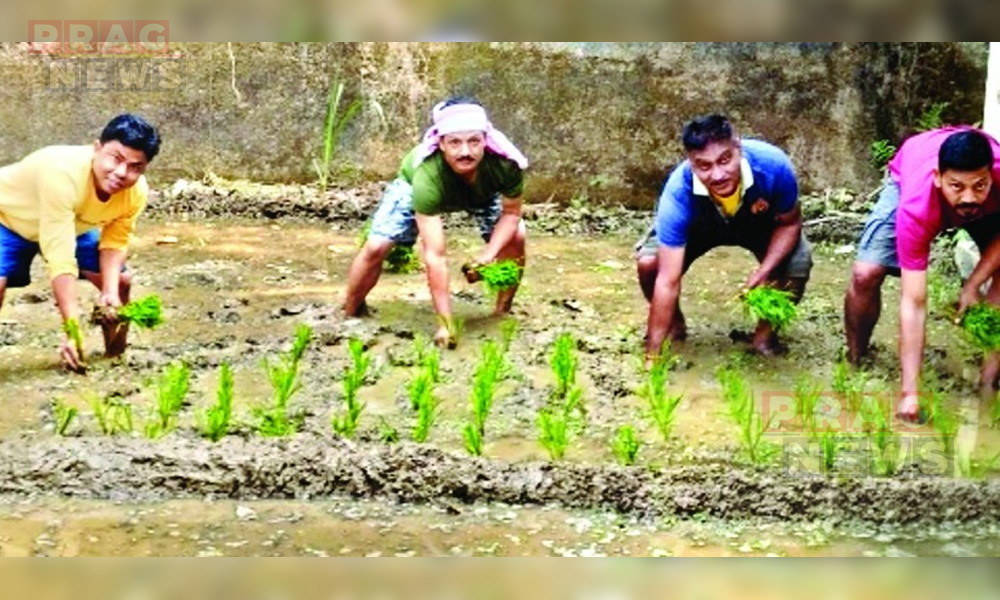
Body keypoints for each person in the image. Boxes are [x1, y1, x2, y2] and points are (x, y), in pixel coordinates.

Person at [343, 98, 528, 348]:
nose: (465, 152)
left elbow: (512, 214)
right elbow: (435, 255)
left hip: (481, 191)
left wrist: (487, 257)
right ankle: (351, 311)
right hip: (413, 187)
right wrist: (445, 324)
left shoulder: (505, 164)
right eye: (455, 143)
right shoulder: (427, 174)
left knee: (516, 237)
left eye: (474, 141)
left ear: (486, 140)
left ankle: (502, 312)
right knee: (377, 246)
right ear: (441, 144)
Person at [844, 127, 1000, 419]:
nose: (969, 198)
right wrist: (910, 396)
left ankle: (989, 384)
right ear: (938, 178)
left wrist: (973, 284)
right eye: (957, 187)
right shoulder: (916, 205)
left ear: (991, 177)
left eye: (980, 186)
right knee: (866, 273)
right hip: (911, 171)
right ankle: (856, 357)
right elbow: (914, 302)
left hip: (989, 203)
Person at [641, 114, 813, 359]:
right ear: (691, 163)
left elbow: (789, 223)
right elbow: (667, 279)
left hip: (758, 225)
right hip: (698, 228)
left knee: (797, 262)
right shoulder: (678, 193)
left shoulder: (773, 165)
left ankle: (764, 336)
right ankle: (674, 324)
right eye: (704, 166)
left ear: (738, 149)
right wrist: (652, 357)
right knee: (649, 263)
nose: (718, 175)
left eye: (724, 160)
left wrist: (765, 270)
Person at [0, 113, 161, 371]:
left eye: (135, 167)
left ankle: (115, 358)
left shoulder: (136, 191)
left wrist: (109, 293)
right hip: (8, 218)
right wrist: (72, 329)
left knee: (121, 283)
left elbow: (115, 242)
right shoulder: (62, 174)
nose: (122, 173)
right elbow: (61, 259)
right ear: (96, 148)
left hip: (71, 223)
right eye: (116, 158)